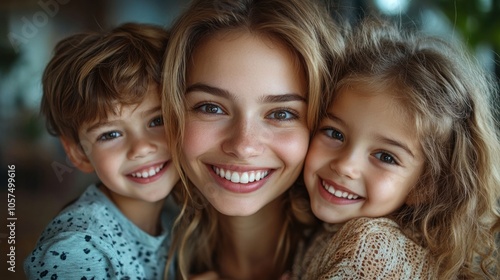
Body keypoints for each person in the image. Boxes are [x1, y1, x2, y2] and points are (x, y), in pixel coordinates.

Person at [292, 17, 500, 279]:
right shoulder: (330, 230)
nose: (346, 165)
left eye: (385, 156)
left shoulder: (371, 248)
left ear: (424, 185)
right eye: (335, 133)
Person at [161, 0, 344, 279]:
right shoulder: (138, 254)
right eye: (211, 108)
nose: (243, 146)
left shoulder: (363, 257)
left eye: (281, 113)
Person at [24, 23, 180, 280]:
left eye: (157, 121)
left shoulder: (175, 221)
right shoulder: (77, 250)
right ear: (78, 153)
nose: (141, 148)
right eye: (110, 134)